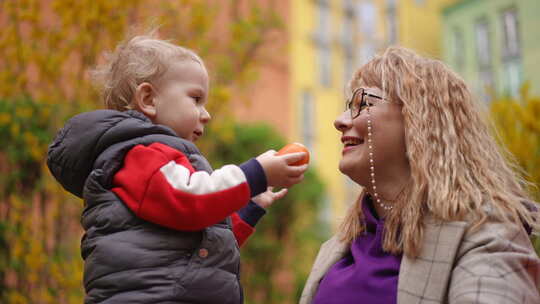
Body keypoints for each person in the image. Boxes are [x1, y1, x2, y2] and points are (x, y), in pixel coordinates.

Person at [46, 30, 308, 304]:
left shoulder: (155, 160)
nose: (206, 115)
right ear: (148, 99)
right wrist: (254, 174)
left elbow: (202, 249)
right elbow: (189, 201)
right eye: (196, 99)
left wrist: (249, 206)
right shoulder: (140, 156)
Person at [300, 46, 540, 304]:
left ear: (419, 122)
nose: (340, 120)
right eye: (348, 107)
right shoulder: (337, 247)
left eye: (365, 103)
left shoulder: (488, 234)